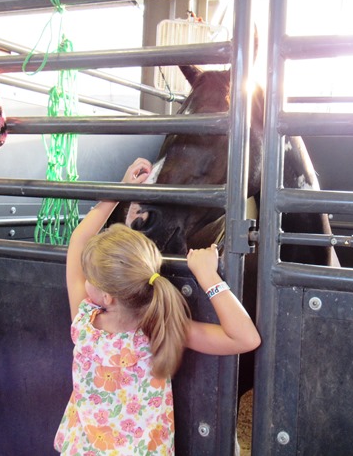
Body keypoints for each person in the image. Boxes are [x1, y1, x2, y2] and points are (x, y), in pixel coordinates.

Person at [54, 158, 261, 455]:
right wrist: (208, 276)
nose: (84, 279)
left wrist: (120, 191)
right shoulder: (159, 327)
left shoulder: (84, 322)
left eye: (90, 276)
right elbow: (246, 338)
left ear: (106, 297)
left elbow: (78, 239)